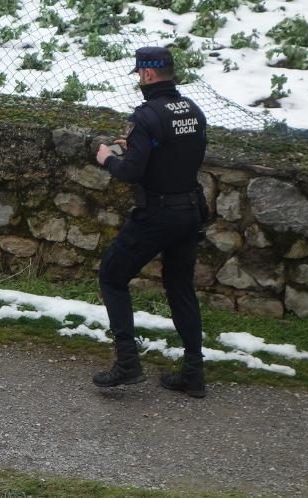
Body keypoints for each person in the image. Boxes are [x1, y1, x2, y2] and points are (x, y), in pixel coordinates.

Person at [93, 46, 209, 397]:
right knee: (180, 286)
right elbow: (174, 155)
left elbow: (130, 172)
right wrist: (136, 146)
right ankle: (194, 372)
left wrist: (106, 158)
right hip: (191, 209)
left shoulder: (145, 117)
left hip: (158, 213)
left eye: (139, 76)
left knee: (112, 277)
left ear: (146, 75)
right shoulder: (193, 110)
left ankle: (128, 362)